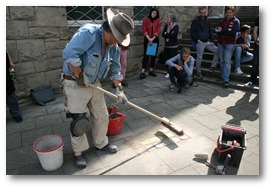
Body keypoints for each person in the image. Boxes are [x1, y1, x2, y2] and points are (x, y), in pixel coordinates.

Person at [61, 8, 134, 169]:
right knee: (79, 121)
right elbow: (68, 53)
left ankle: (101, 143)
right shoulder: (88, 33)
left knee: (102, 115)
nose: (118, 43)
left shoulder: (112, 46)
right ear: (109, 32)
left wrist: (119, 89)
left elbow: (116, 68)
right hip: (74, 81)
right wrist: (80, 75)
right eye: (117, 39)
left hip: (94, 83)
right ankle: (78, 153)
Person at [190, 6, 219, 79]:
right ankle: (198, 73)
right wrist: (197, 40)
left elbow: (210, 31)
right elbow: (192, 32)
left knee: (218, 50)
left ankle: (213, 66)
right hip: (200, 42)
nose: (203, 14)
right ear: (199, 13)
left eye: (204, 13)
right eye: (202, 13)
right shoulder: (195, 21)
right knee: (199, 58)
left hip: (207, 41)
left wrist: (212, 41)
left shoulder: (208, 20)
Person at [215, 6, 240, 87]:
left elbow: (233, 32)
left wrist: (222, 31)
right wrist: (225, 31)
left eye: (230, 12)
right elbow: (216, 31)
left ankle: (226, 79)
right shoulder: (221, 21)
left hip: (229, 44)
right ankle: (222, 76)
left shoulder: (236, 21)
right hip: (220, 43)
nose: (228, 14)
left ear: (233, 13)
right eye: (227, 12)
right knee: (222, 61)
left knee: (227, 61)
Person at [139, 7, 162, 79]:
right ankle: (142, 71)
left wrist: (152, 38)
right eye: (153, 12)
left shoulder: (158, 21)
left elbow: (158, 30)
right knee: (146, 55)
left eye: (155, 13)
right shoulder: (146, 20)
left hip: (155, 39)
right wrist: (149, 39)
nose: (154, 14)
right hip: (147, 38)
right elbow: (144, 29)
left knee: (153, 55)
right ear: (151, 12)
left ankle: (151, 70)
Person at [6, 51, 23, 123]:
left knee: (11, 95)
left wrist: (13, 78)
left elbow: (11, 66)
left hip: (7, 77)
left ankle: (16, 114)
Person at [162, 12, 179, 79]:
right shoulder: (166, 26)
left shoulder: (176, 26)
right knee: (167, 60)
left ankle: (174, 72)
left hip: (173, 46)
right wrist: (168, 34)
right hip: (167, 46)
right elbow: (163, 34)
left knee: (173, 60)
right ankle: (168, 72)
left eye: (168, 17)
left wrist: (167, 33)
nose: (167, 19)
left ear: (172, 19)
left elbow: (173, 35)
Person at [244, 15, 259, 87]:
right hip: (259, 43)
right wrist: (256, 41)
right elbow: (255, 30)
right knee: (255, 63)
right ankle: (251, 81)